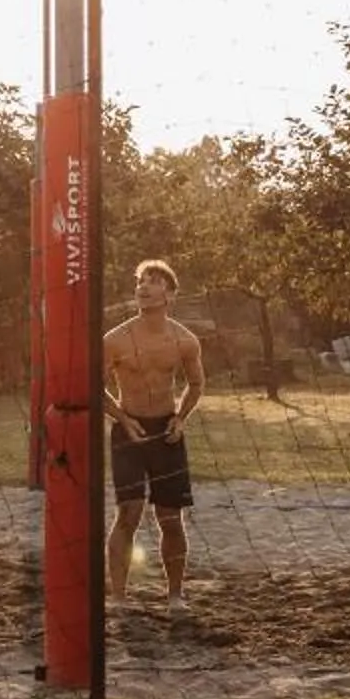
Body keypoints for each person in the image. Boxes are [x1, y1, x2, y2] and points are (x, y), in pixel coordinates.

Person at [105, 259, 206, 607]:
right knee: (129, 512)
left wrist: (181, 418)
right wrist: (121, 417)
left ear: (170, 294)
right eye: (140, 281)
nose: (143, 287)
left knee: (170, 518)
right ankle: (118, 597)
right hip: (128, 430)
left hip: (166, 432)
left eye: (154, 281)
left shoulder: (185, 340)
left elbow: (195, 385)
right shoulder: (115, 339)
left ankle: (175, 595)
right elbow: (92, 384)